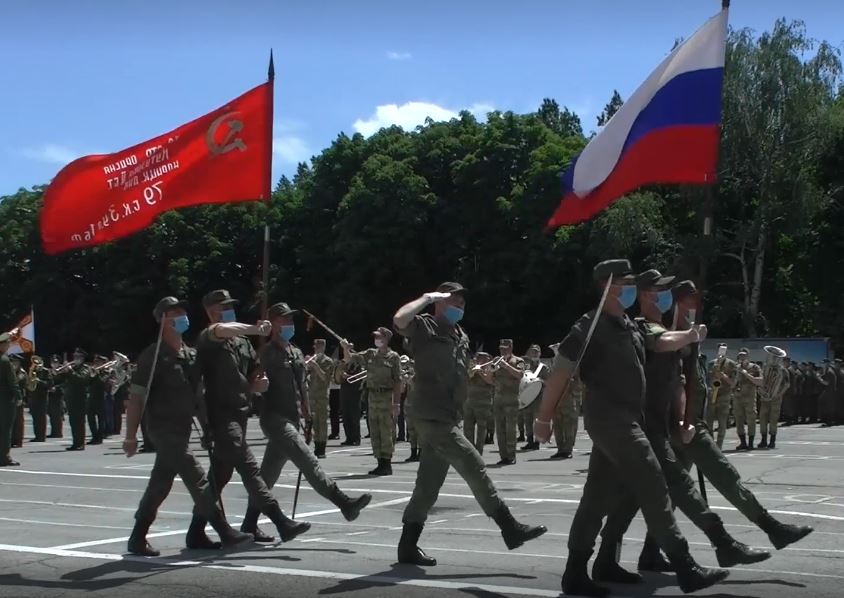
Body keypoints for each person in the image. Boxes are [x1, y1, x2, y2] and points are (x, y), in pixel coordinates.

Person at [534, 259, 728, 596]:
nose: (630, 289)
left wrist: (689, 333)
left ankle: (579, 571)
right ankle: (686, 567)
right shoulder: (588, 327)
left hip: (627, 420)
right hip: (612, 421)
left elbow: (660, 342)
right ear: (607, 286)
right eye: (624, 282)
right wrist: (544, 418)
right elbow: (561, 372)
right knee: (654, 482)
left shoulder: (627, 324)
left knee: (596, 498)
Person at [595, 270, 769, 585]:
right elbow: (661, 344)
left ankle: (608, 560)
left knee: (629, 497)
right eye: (659, 290)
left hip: (653, 427)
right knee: (677, 490)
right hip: (641, 427)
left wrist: (683, 418)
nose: (665, 295)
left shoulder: (666, 327)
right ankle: (719, 547)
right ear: (646, 294)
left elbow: (676, 380)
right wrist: (688, 337)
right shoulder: (642, 327)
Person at [393, 281, 547, 566]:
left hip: (450, 414)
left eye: (463, 304)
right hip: (431, 415)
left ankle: (407, 546)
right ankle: (509, 527)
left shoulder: (459, 335)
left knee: (428, 485)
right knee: (474, 464)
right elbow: (399, 319)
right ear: (439, 302)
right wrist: (426, 297)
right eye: (454, 302)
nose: (460, 308)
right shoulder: (425, 327)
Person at [662, 281, 813, 552]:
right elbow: (674, 383)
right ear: (678, 302)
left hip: (691, 422)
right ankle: (771, 529)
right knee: (725, 476)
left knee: (674, 491)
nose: (696, 305)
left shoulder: (688, 334)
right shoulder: (673, 337)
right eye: (690, 300)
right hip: (685, 424)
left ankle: (650, 551)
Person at [123, 296, 254, 556]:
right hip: (162, 429)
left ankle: (138, 536)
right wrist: (130, 436)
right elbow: (136, 398)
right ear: (162, 320)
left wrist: (207, 427)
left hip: (183, 430)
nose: (182, 316)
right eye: (174, 313)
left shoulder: (189, 354)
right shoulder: (153, 356)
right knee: (199, 479)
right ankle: (224, 530)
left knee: (160, 484)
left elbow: (198, 396)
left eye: (183, 311)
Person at [240, 302, 373, 542]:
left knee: (267, 477)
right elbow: (251, 382)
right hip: (274, 419)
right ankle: (343, 502)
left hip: (293, 418)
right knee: (308, 461)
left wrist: (308, 414)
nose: (289, 324)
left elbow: (302, 387)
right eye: (284, 320)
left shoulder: (296, 352)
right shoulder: (266, 353)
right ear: (273, 324)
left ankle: (249, 524)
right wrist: (257, 386)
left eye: (291, 320)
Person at [189, 289, 309, 549]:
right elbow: (220, 330)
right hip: (220, 416)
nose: (229, 310)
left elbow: (253, 371)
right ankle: (280, 521)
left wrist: (258, 382)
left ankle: (195, 530)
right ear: (211, 312)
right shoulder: (210, 337)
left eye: (231, 305)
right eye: (224, 306)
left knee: (219, 477)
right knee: (249, 467)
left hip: (240, 413)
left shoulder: (241, 342)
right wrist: (256, 329)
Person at [342, 328, 402, 476]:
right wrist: (345, 348)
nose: (376, 339)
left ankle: (386, 463)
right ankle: (379, 462)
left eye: (379, 337)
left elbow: (398, 381)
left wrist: (396, 403)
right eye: (375, 337)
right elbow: (350, 359)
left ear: (386, 338)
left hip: (386, 396)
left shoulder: (393, 357)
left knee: (386, 431)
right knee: (374, 430)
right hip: (372, 396)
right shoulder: (370, 354)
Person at [492, 339, 525, 465]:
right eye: (501, 348)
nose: (503, 350)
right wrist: (492, 369)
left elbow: (520, 375)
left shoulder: (518, 361)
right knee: (500, 429)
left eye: (505, 348)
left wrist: (507, 366)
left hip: (511, 399)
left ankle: (511, 456)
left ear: (511, 348)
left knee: (510, 429)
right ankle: (503, 456)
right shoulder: (497, 361)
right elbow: (491, 379)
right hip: (498, 399)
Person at [549, 343, 581, 460]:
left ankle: (567, 449)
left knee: (568, 425)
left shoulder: (572, 363)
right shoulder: (553, 364)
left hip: (567, 398)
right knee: (558, 425)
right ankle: (560, 449)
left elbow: (575, 380)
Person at [55, 349, 91, 451]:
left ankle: (80, 443)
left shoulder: (85, 368)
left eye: (78, 357)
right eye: (74, 357)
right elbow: (63, 379)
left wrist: (70, 370)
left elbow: (81, 380)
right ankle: (75, 443)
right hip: (71, 398)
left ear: (82, 359)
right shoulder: (74, 368)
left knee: (79, 422)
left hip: (80, 398)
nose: (75, 359)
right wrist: (61, 371)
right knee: (73, 422)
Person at [306, 338, 335, 458]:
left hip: (322, 396)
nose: (316, 348)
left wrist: (315, 366)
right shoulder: (313, 359)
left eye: (319, 346)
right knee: (313, 423)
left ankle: (321, 449)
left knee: (322, 423)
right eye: (315, 346)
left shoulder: (328, 361)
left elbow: (325, 378)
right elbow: (305, 375)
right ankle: (316, 446)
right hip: (312, 396)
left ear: (323, 347)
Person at [464, 352, 495, 455]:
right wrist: (473, 370)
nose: (479, 360)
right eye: (478, 358)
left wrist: (481, 372)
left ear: (487, 359)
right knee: (468, 427)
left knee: (481, 428)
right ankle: (470, 450)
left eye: (482, 358)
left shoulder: (491, 368)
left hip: (483, 403)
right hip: (470, 402)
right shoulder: (472, 367)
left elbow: (490, 381)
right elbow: (467, 377)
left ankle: (479, 450)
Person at [706, 348, 736, 448]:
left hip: (724, 396)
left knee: (722, 423)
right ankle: (711, 445)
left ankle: (719, 445)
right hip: (712, 395)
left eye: (723, 353)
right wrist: (713, 372)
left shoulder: (731, 364)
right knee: (709, 422)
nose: (721, 355)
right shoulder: (711, 363)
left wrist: (723, 376)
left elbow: (733, 383)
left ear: (727, 354)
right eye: (719, 353)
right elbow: (707, 379)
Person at [733, 348, 762, 450]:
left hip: (749, 397)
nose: (742, 357)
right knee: (739, 420)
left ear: (748, 356)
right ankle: (743, 442)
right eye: (740, 356)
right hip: (738, 397)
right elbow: (731, 384)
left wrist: (746, 373)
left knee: (751, 420)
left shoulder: (754, 367)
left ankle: (750, 443)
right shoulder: (735, 368)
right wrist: (737, 375)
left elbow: (759, 382)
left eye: (744, 355)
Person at [759, 353, 790, 448]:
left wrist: (779, 394)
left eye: (776, 357)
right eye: (772, 357)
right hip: (765, 397)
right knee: (762, 419)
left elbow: (787, 384)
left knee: (773, 419)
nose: (773, 359)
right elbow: (761, 380)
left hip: (775, 398)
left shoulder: (783, 370)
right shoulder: (765, 368)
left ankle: (772, 441)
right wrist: (760, 390)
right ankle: (763, 440)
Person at [0, 332, 22, 466]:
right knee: (6, 429)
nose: (8, 346)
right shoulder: (5, 360)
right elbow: (12, 381)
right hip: (6, 399)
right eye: (7, 343)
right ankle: (4, 457)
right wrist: (19, 396)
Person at [337, 345, 363, 446]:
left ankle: (356, 438)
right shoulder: (344, 365)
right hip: (344, 391)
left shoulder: (357, 365)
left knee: (354, 416)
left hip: (354, 392)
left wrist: (347, 376)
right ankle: (349, 438)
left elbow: (358, 377)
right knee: (346, 416)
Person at [519, 344, 544, 451]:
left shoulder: (543, 367)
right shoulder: (525, 366)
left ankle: (537, 442)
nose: (534, 353)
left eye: (536, 352)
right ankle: (529, 441)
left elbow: (549, 381)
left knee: (537, 421)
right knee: (527, 420)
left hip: (538, 398)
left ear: (539, 354)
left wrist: (539, 380)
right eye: (532, 351)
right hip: (527, 396)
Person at [27, 356, 51, 442]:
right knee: (35, 417)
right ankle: (37, 435)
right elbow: (29, 383)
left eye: (38, 362)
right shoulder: (33, 371)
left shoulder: (46, 371)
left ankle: (41, 436)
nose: (37, 364)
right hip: (34, 397)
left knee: (41, 418)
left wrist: (39, 381)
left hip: (42, 397)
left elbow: (49, 384)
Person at [87, 355, 109, 445]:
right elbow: (87, 382)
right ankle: (94, 436)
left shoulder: (107, 372)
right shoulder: (92, 371)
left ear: (103, 363)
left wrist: (97, 373)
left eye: (98, 362)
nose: (96, 364)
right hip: (91, 397)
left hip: (101, 397)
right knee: (90, 418)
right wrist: (92, 375)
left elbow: (102, 382)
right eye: (95, 362)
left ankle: (99, 437)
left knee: (101, 419)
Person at [47, 355, 64, 438]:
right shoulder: (49, 371)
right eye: (53, 362)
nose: (54, 364)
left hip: (58, 394)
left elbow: (64, 383)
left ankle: (58, 432)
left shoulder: (62, 372)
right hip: (50, 395)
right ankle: (53, 432)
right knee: (51, 414)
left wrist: (56, 388)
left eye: (56, 362)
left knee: (58, 414)